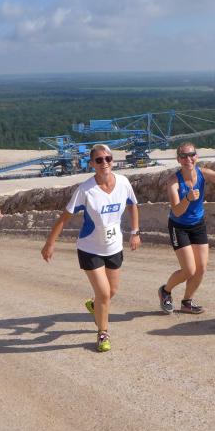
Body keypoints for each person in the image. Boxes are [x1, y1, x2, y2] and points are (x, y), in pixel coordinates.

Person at [41, 144, 141, 353]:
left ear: (113, 161)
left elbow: (132, 204)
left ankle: (95, 307)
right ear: (92, 164)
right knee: (103, 293)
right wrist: (50, 243)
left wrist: (135, 232)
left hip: (114, 246)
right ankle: (103, 333)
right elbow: (64, 217)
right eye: (99, 160)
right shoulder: (85, 190)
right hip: (90, 248)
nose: (104, 163)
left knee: (112, 291)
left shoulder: (123, 183)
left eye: (108, 159)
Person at [157, 142, 215, 314]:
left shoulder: (203, 173)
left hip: (198, 224)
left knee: (201, 268)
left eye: (191, 155)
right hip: (179, 226)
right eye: (184, 156)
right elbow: (177, 211)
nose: (188, 159)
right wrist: (187, 198)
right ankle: (165, 291)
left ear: (197, 156)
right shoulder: (173, 181)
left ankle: (187, 302)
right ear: (178, 160)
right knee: (189, 270)